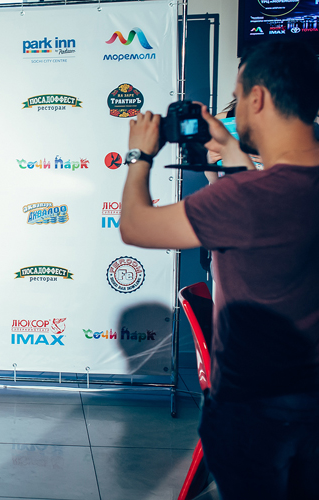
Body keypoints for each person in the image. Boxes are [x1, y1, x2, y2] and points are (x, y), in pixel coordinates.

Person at [118, 40, 319, 499]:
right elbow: (265, 198)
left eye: (237, 95)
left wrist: (139, 156)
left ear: (257, 98)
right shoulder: (261, 194)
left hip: (254, 413)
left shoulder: (243, 200)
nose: (235, 110)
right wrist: (228, 146)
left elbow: (135, 225)